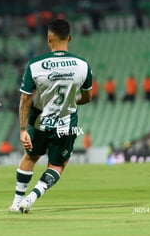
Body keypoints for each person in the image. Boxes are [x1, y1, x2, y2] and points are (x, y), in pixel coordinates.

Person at [8, 19, 92, 213]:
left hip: (39, 121)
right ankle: (30, 199)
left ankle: (16, 201)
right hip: (65, 123)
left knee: (30, 157)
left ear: (49, 38)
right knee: (57, 165)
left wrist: (22, 130)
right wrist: (72, 101)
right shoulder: (82, 65)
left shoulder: (35, 65)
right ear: (69, 37)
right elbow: (86, 97)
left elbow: (26, 99)